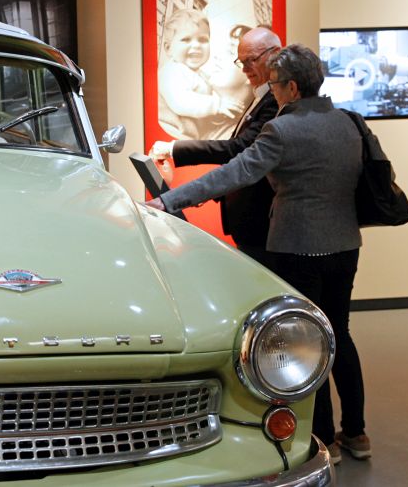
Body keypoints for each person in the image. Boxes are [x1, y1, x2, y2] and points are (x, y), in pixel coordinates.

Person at [150, 44, 370, 465]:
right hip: (345, 244)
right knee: (340, 331)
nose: (271, 91)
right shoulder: (348, 122)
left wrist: (171, 200)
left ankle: (324, 437)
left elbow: (236, 172)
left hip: (297, 246)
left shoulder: (283, 131)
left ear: (289, 87)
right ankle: (357, 432)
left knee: (308, 342)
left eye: (273, 84)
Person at [150, 25, 281, 267]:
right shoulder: (260, 96)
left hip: (260, 222)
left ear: (275, 54)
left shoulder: (275, 101)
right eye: (240, 61)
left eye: (250, 60)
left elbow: (240, 150)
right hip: (249, 221)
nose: (244, 69)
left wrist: (175, 148)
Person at [157, 9, 245, 140]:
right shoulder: (172, 71)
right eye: (186, 39)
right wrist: (217, 105)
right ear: (168, 48)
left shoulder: (200, 74)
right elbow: (180, 100)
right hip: (173, 132)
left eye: (203, 40)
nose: (196, 45)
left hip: (189, 137)